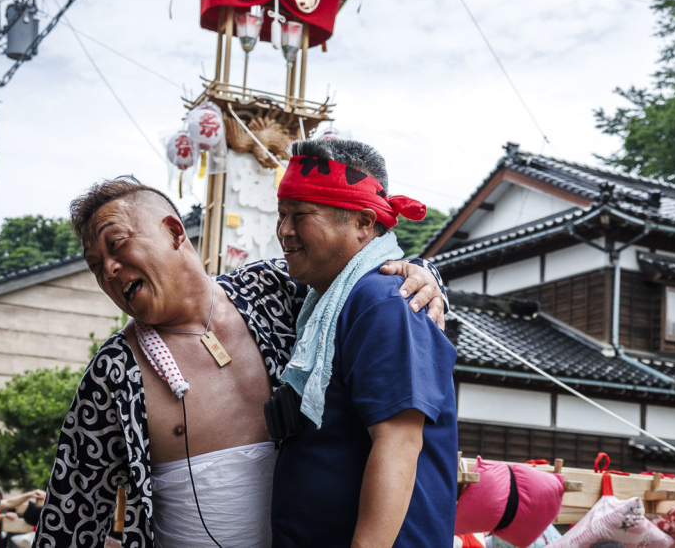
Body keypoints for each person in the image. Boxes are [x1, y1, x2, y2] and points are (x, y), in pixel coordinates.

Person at [35, 176, 447, 548]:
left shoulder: (276, 289)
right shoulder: (113, 372)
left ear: (175, 231)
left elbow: (363, 276)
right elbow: (70, 517)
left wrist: (425, 276)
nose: (108, 269)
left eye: (117, 244)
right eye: (94, 265)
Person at [269, 139, 458, 547]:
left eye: (301, 216)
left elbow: (400, 443)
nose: (284, 230)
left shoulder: (385, 301)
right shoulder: (326, 296)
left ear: (363, 224)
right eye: (281, 215)